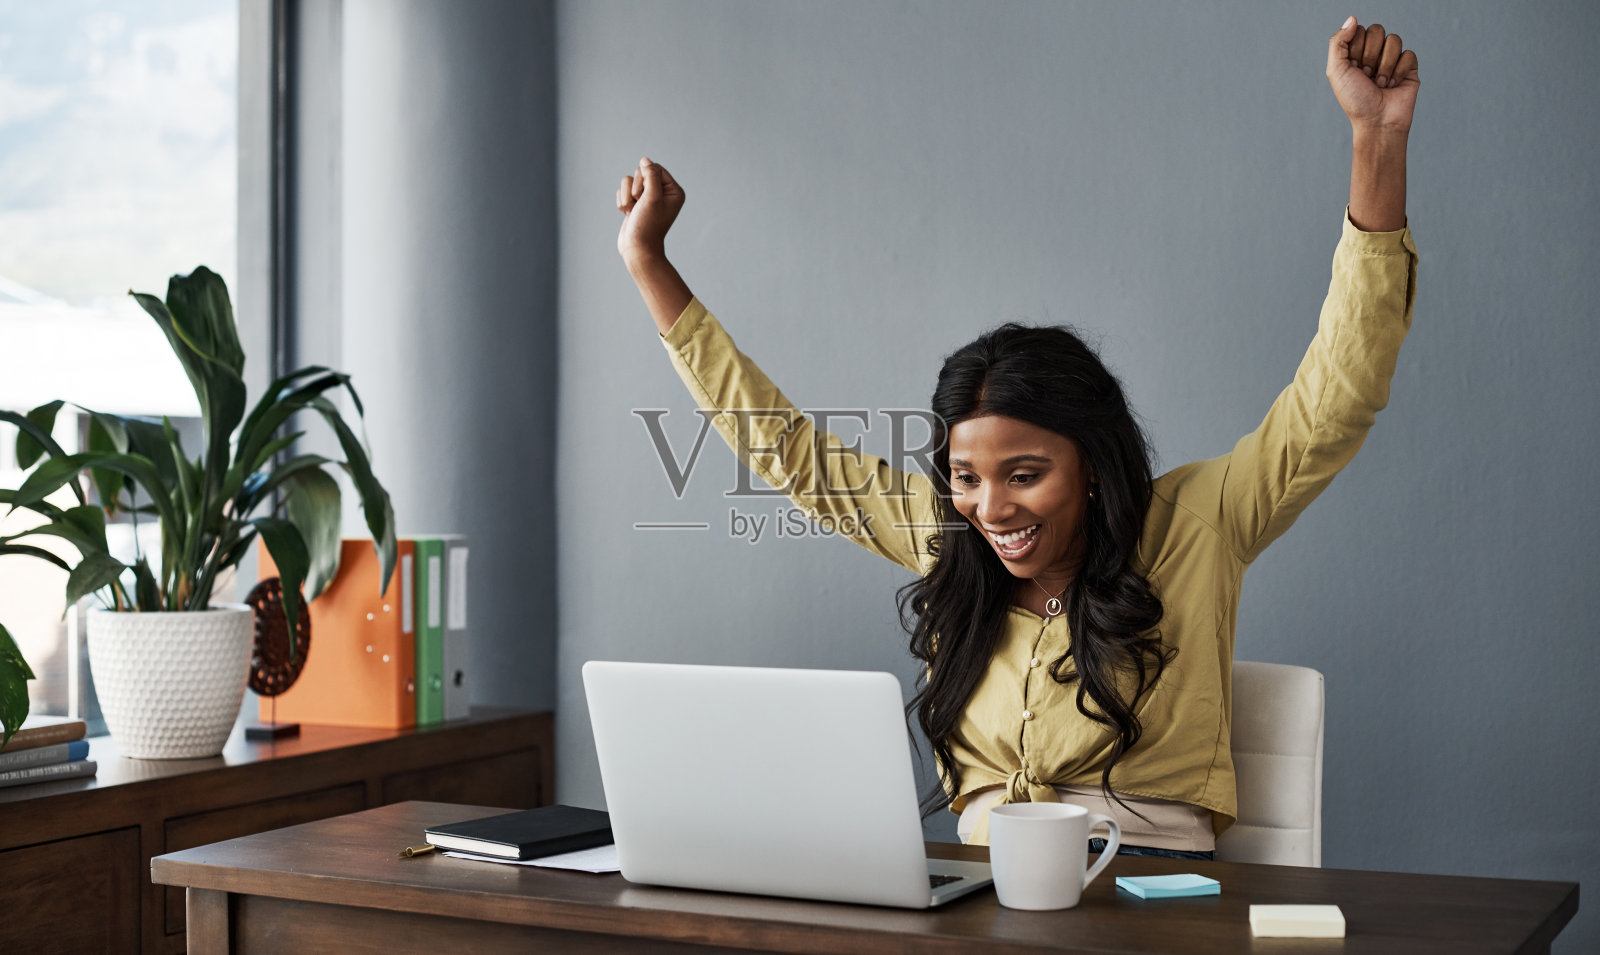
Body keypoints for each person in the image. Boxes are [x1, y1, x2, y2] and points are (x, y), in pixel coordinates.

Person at [615, 17, 1419, 861]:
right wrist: (649, 266)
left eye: (1025, 473)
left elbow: (1339, 392)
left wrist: (1376, 139)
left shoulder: (1198, 522)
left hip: (1148, 894)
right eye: (966, 476)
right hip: (981, 887)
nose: (990, 507)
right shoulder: (949, 534)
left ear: (1094, 464)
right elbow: (789, 452)